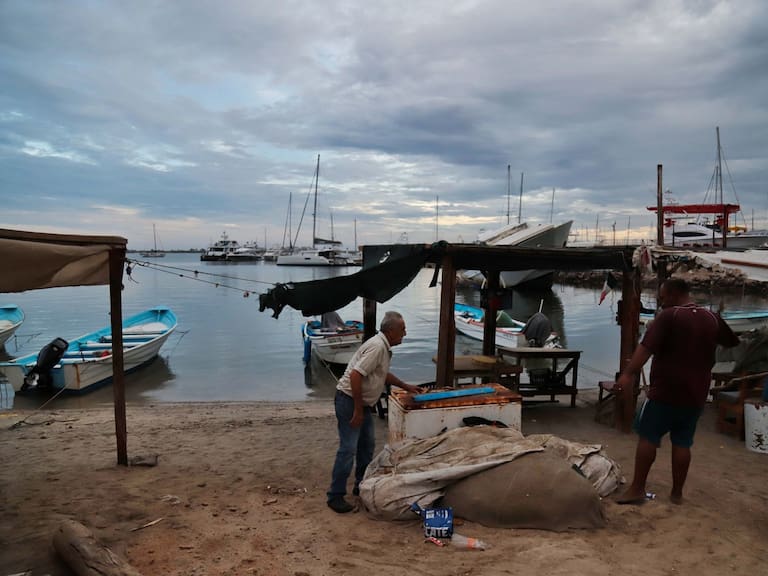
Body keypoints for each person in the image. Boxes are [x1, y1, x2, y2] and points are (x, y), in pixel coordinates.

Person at [616, 278, 739, 505]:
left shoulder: (669, 316)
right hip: (696, 392)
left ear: (673, 294)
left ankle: (637, 489)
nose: (661, 303)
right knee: (683, 442)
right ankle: (676, 494)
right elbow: (731, 341)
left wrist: (628, 374)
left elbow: (645, 350)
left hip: (665, 390)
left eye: (662, 298)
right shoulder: (711, 317)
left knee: (648, 437)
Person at [326, 311, 421, 513]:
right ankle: (335, 496)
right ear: (391, 331)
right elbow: (355, 375)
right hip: (349, 401)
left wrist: (405, 385)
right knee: (348, 448)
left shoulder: (383, 347)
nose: (405, 333)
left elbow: (381, 373)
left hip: (361, 403)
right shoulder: (378, 347)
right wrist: (358, 410)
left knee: (367, 445)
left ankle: (360, 486)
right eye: (402, 329)